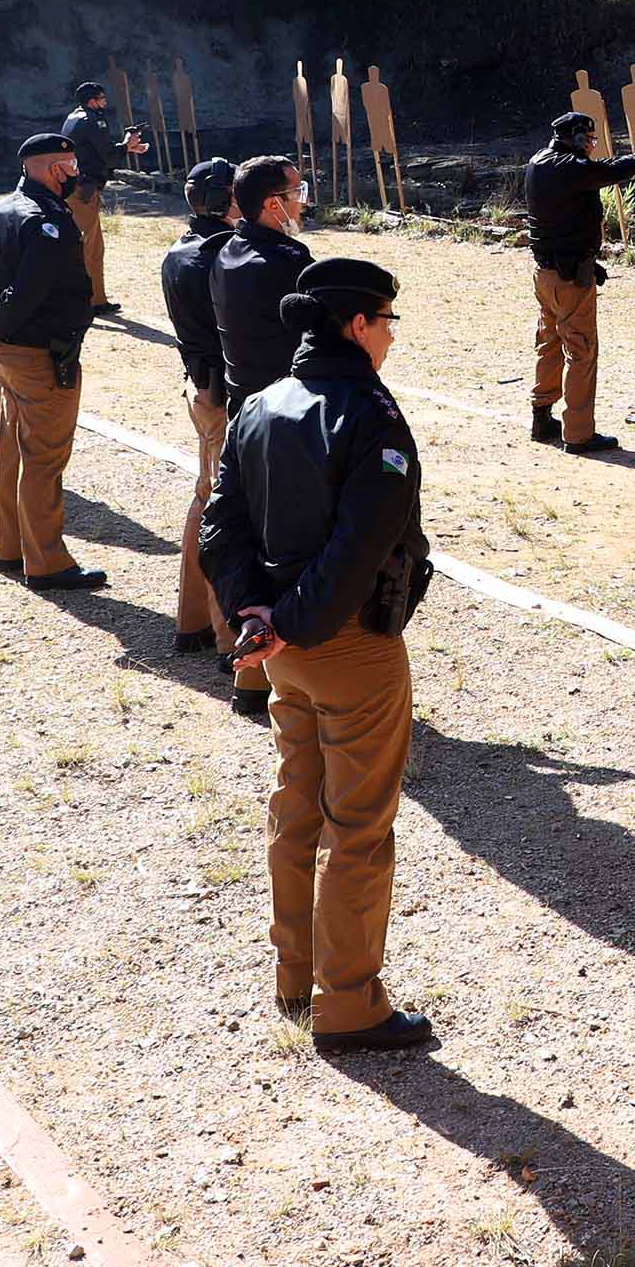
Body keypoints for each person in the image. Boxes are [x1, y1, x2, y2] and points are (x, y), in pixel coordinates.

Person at [198, 256, 433, 1052]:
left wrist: (252, 619)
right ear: (359, 324)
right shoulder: (369, 410)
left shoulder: (261, 401)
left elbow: (218, 526)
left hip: (281, 647)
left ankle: (295, 978)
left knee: (297, 806)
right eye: (388, 321)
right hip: (346, 642)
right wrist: (293, 620)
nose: (392, 336)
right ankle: (351, 1001)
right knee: (359, 827)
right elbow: (362, 544)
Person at [0, 133, 103, 593]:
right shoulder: (46, 220)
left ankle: (13, 546)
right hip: (40, 351)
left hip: (13, 350)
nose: (75, 172)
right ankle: (46, 562)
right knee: (44, 457)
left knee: (13, 450)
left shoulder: (1, 209)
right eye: (69, 164)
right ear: (52, 169)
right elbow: (29, 289)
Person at [522, 112, 635, 453]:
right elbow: (605, 172)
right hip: (568, 277)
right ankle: (578, 433)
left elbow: (571, 212)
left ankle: (541, 418)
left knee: (550, 343)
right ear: (572, 137)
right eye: (586, 139)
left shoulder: (540, 161)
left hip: (548, 272)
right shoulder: (566, 167)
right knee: (582, 351)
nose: (590, 144)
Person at [160, 158, 240, 664]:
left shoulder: (182, 247)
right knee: (225, 508)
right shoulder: (223, 254)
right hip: (223, 392)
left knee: (205, 498)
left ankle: (193, 620)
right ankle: (227, 635)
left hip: (203, 387)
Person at [211, 156, 313, 411]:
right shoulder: (287, 264)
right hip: (282, 407)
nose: (305, 202)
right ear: (273, 204)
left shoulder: (224, 252)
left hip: (242, 402)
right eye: (298, 192)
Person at [59, 80, 145, 314]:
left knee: (84, 244)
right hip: (84, 189)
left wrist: (126, 148)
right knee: (91, 248)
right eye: (102, 99)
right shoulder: (94, 120)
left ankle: (85, 298)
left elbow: (93, 152)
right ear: (92, 101)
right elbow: (108, 155)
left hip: (74, 187)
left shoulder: (73, 117)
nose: (105, 103)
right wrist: (126, 146)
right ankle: (91, 301)